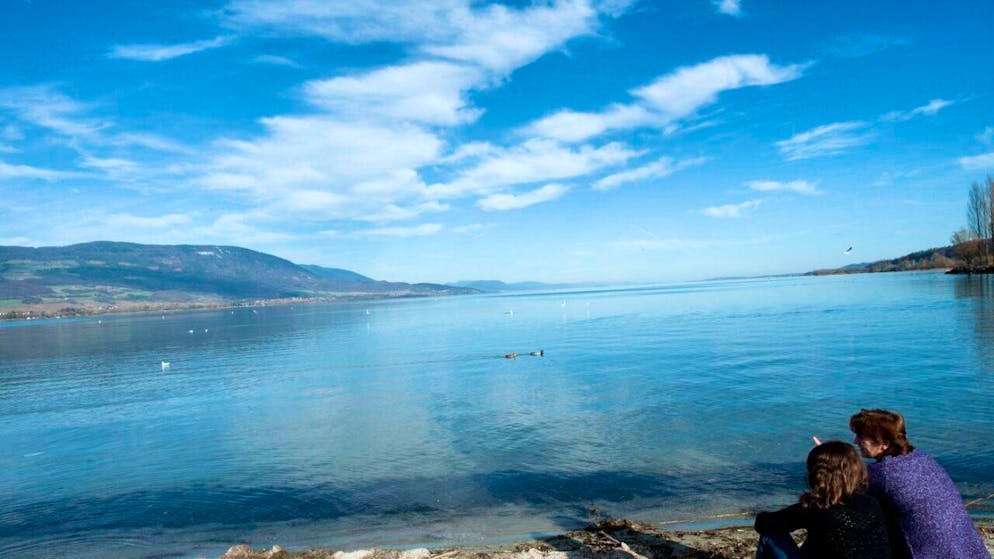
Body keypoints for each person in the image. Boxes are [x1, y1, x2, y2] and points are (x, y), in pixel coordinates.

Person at [849, 408, 990, 559]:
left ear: (884, 443)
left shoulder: (884, 474)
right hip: (968, 549)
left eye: (861, 437)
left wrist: (834, 459)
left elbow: (847, 491)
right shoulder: (920, 457)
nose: (855, 441)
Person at [754, 440, 893, 559]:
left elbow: (762, 523)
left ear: (815, 475)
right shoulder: (871, 503)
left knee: (770, 534)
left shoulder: (816, 508)